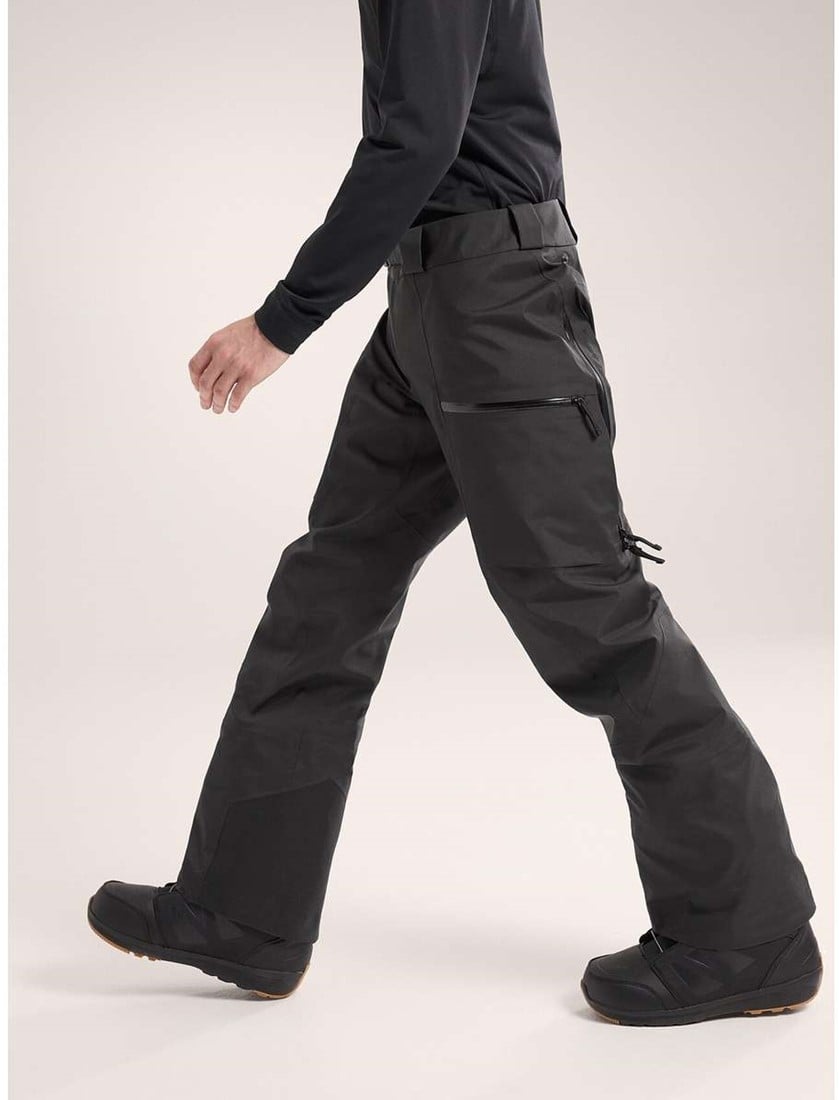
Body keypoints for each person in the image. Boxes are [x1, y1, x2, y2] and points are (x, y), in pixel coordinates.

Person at [87, 0, 822, 1025]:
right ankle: (241, 910)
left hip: (494, 307)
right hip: (429, 300)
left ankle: (748, 933)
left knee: (592, 617)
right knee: (327, 595)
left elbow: (417, 136)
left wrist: (280, 322)